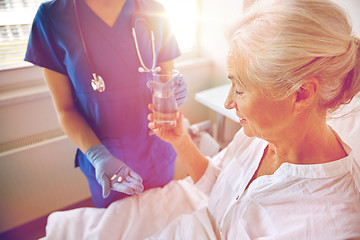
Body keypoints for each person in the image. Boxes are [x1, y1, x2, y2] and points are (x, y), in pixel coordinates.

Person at [147, 0, 360, 238]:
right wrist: (181, 140)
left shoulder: (332, 225)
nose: (228, 103)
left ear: (301, 94)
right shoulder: (258, 135)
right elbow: (218, 184)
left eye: (240, 89)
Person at [25, 0, 187, 208]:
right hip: (106, 163)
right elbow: (65, 109)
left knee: (163, 220)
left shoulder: (153, 9)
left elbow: (166, 81)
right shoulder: (51, 17)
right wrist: (98, 156)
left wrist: (174, 91)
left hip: (157, 149)